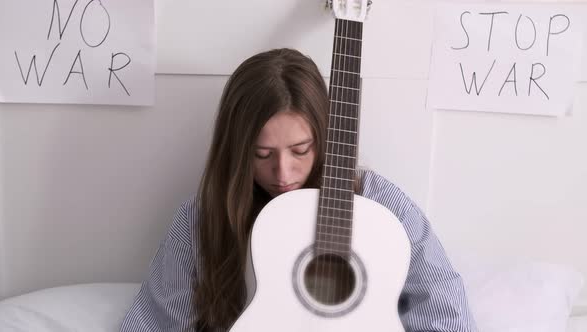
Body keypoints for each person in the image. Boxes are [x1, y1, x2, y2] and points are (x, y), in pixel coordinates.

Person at [120, 48, 477, 331]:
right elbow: (154, 324)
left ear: (324, 139)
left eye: (300, 150)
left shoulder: (380, 207)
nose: (282, 172)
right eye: (261, 154)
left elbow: (446, 313)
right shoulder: (202, 219)